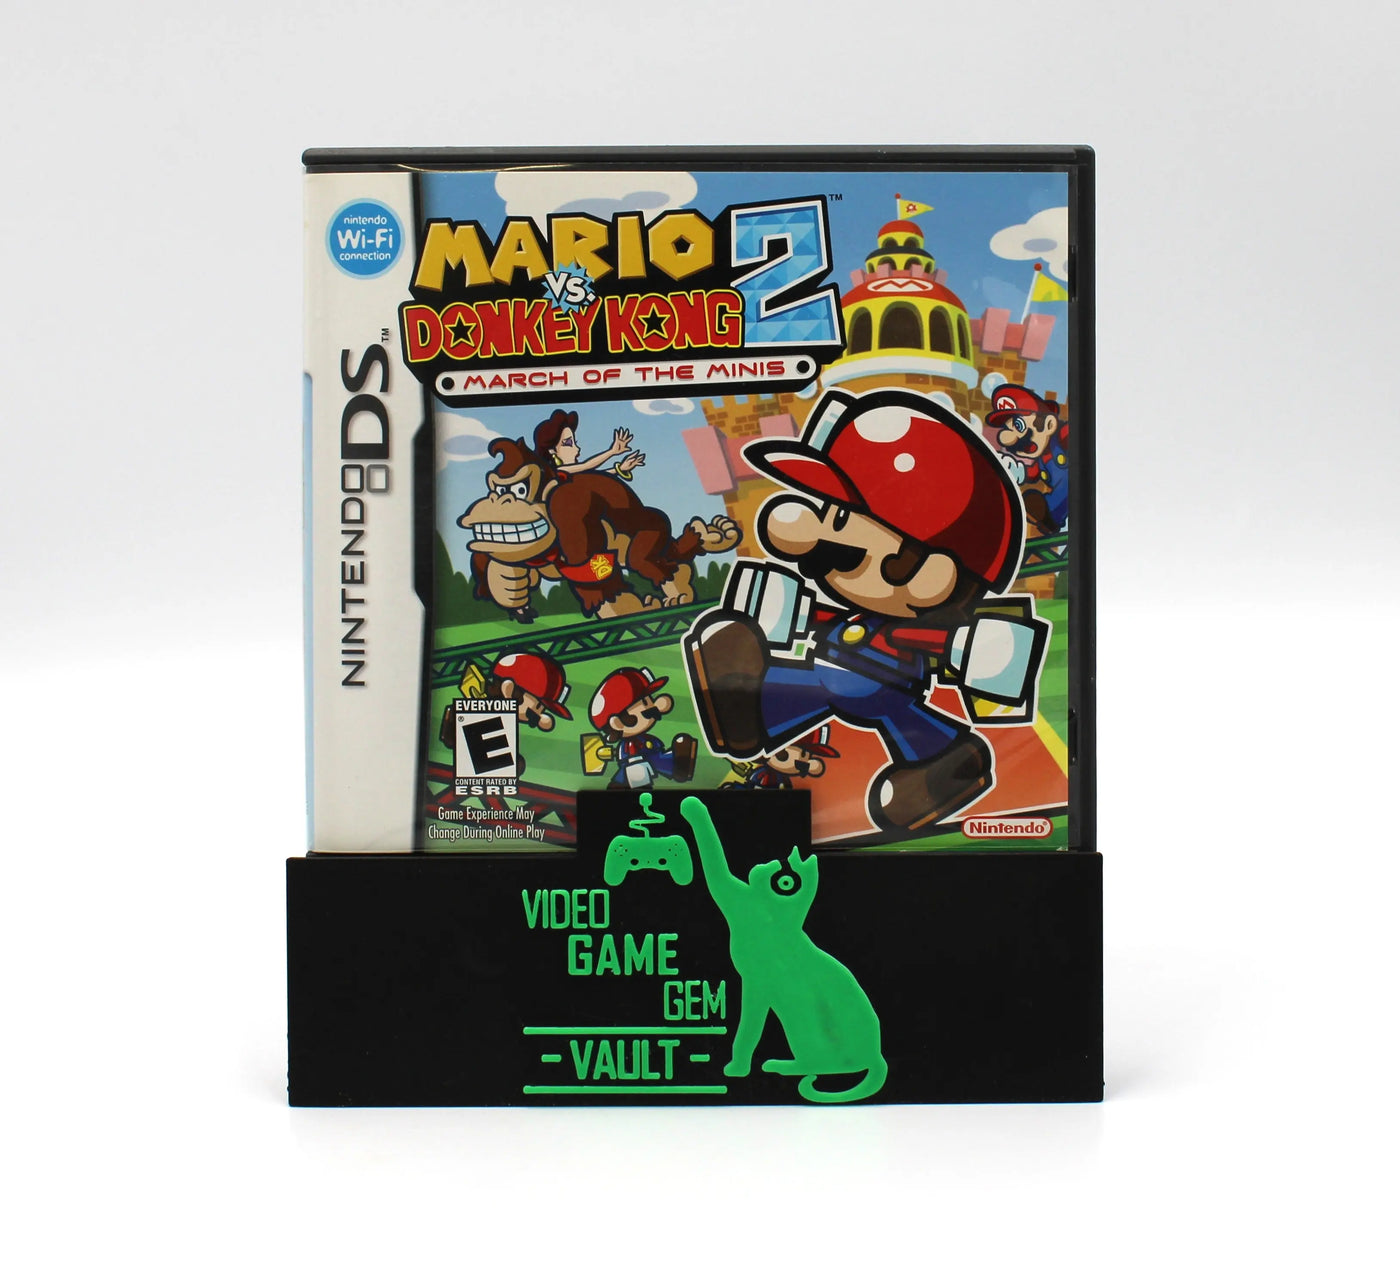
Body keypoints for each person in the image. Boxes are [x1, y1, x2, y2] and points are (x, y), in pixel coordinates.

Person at [533, 409, 645, 481]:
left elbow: (595, 476)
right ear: (552, 450)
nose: (577, 449)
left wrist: (620, 469)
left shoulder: (572, 475)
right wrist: (612, 451)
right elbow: (586, 465)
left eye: (575, 443)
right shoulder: (557, 473)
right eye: (569, 443)